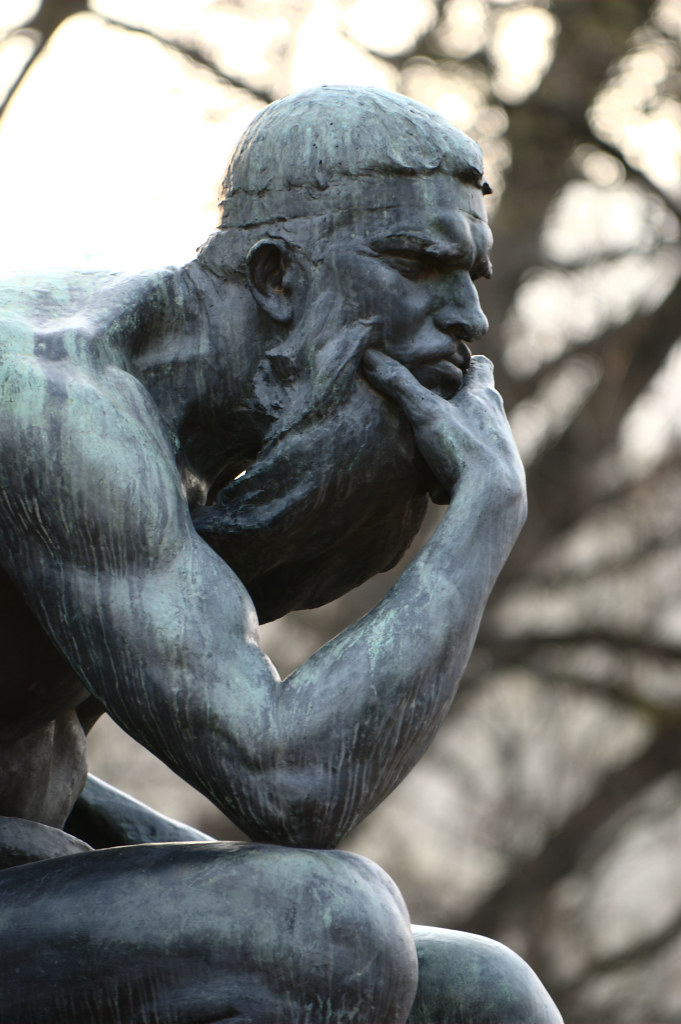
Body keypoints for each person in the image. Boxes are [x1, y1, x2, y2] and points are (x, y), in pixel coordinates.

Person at [0, 86, 560, 1023]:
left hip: (31, 838)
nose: (467, 318)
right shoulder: (59, 413)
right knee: (327, 928)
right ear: (275, 278)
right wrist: (483, 516)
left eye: (473, 276)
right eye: (419, 264)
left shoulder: (210, 417)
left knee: (483, 992)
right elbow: (290, 785)